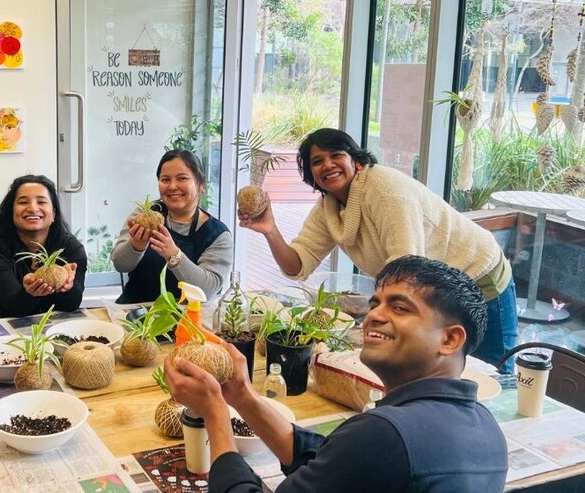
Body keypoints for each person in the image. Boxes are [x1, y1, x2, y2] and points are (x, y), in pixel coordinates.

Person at [165, 255, 509, 492]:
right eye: (376, 303)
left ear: (450, 339)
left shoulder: (388, 434)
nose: (374, 315)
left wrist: (215, 414)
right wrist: (241, 394)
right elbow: (330, 460)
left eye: (400, 307)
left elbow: (362, 450)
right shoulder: (485, 426)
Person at [239, 128, 517, 371]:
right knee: (447, 372)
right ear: (311, 174)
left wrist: (375, 318)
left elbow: (407, 267)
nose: (328, 165)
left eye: (336, 154)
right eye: (317, 161)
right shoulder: (329, 208)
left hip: (480, 277)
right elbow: (297, 266)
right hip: (434, 292)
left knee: (492, 373)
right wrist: (271, 230)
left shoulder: (384, 188)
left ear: (356, 161)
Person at [112, 149, 232, 303]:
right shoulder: (145, 214)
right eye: (165, 179)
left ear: (200, 184)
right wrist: (136, 245)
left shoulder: (216, 234)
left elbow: (206, 291)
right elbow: (120, 265)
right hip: (132, 313)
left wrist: (174, 255)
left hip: (186, 319)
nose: (172, 186)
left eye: (182, 178)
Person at [0, 175, 87, 318]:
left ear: (53, 213)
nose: (33, 208)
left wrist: (68, 288)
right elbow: (14, 307)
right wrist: (28, 293)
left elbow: (71, 305)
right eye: (23, 202)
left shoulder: (71, 249)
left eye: (41, 201)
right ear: (11, 212)